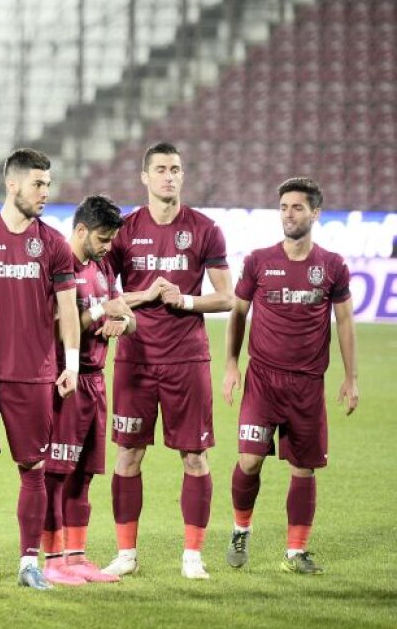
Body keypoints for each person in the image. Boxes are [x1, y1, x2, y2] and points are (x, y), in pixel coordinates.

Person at [101, 142, 233, 580]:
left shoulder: (205, 228)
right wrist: (145, 297)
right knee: (128, 455)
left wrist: (187, 300)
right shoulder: (123, 230)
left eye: (176, 169)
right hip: (135, 360)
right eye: (160, 169)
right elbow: (103, 294)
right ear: (145, 177)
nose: (169, 177)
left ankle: (193, 555)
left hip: (187, 359)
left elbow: (227, 296)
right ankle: (125, 554)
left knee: (194, 456)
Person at [0, 148, 80, 591]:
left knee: (32, 467)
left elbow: (68, 308)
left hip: (33, 373)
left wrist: (71, 364)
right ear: (12, 185)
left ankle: (30, 561)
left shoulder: (53, 244)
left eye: (47, 184)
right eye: (38, 184)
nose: (46, 192)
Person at [223, 177, 358, 575]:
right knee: (249, 461)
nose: (288, 214)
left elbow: (346, 320)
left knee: (303, 469)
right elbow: (238, 312)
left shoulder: (332, 266)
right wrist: (231, 364)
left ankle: (295, 552)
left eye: (297, 207)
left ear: (315, 213)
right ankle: (239, 530)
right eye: (283, 207)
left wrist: (352, 377)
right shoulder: (259, 261)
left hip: (307, 385)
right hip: (263, 381)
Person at [41, 195, 133, 585]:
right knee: (56, 473)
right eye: (103, 238)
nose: (108, 247)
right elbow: (56, 325)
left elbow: (126, 316)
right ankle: (51, 559)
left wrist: (122, 323)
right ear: (80, 230)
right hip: (65, 378)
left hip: (96, 378)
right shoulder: (58, 265)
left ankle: (76, 556)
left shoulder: (101, 267)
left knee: (84, 474)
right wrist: (101, 312)